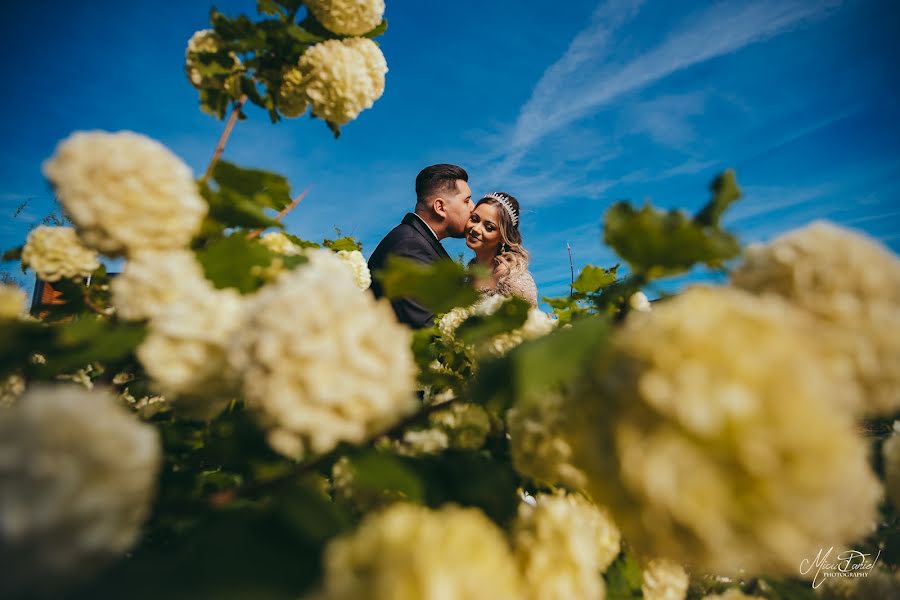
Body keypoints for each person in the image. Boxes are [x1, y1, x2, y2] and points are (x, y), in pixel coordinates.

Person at [368, 164, 474, 328]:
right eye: (466, 201)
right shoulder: (409, 247)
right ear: (440, 207)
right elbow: (424, 328)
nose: (473, 208)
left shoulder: (417, 242)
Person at [464, 192, 538, 306]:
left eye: (489, 227)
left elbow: (530, 322)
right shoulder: (468, 275)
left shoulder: (513, 279)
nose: (476, 229)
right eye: (474, 219)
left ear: (503, 238)